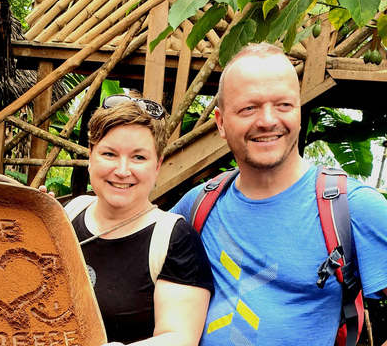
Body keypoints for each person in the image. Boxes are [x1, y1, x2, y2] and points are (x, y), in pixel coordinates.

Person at [172, 42, 387, 345]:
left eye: (283, 105)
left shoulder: (351, 207)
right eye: (249, 107)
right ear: (221, 122)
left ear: (299, 112)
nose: (268, 120)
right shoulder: (198, 204)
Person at [68, 92, 213, 345]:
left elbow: (179, 338)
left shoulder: (175, 241)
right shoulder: (67, 214)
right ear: (90, 155)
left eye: (139, 157)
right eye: (109, 154)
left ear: (157, 165)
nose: (122, 171)